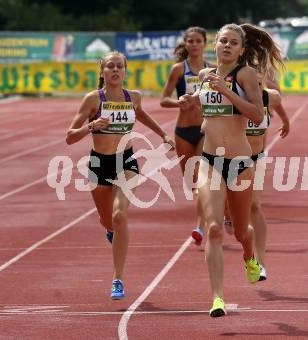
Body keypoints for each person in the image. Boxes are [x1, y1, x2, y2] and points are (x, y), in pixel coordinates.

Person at [180, 23, 274, 317]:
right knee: (214, 228)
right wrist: (191, 101)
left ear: (242, 50)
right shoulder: (205, 76)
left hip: (241, 162)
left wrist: (228, 93)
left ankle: (250, 258)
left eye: (234, 43)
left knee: (241, 231)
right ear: (215, 46)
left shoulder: (246, 75)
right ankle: (217, 297)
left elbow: (257, 114)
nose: (227, 46)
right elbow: (206, 109)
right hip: (210, 160)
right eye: (223, 41)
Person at [66, 51, 175, 300]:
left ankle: (118, 278)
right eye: (110, 67)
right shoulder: (93, 100)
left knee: (119, 215)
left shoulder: (133, 97)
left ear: (125, 71)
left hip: (126, 161)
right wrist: (90, 127)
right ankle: (111, 232)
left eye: (119, 67)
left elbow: (141, 113)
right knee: (107, 221)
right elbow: (70, 136)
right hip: (99, 164)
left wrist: (163, 135)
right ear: (102, 71)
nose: (115, 71)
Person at [224, 23, 290, 282]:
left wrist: (285, 119)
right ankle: (229, 215)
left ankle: (259, 262)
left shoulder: (265, 77)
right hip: (227, 151)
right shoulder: (229, 75)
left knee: (255, 205)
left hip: (255, 152)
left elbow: (275, 98)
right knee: (234, 210)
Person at [160, 27, 212, 246]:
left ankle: (200, 225)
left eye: (198, 41)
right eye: (190, 41)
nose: (194, 44)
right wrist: (178, 101)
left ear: (204, 43)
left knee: (203, 179)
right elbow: (164, 99)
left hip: (204, 129)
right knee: (192, 183)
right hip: (182, 131)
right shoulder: (178, 70)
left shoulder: (213, 70)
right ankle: (213, 212)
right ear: (185, 44)